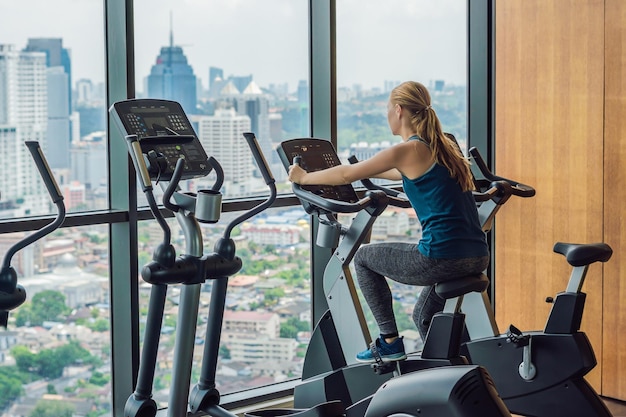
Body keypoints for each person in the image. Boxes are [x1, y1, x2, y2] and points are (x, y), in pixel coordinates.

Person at [288, 81, 489, 363]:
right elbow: (400, 175)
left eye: (387, 109)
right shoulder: (443, 149)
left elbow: (346, 175)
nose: (387, 115)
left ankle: (389, 341)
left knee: (364, 258)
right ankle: (461, 368)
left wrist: (303, 178)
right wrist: (371, 173)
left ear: (398, 110)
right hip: (477, 255)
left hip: (441, 256)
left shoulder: (407, 150)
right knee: (424, 316)